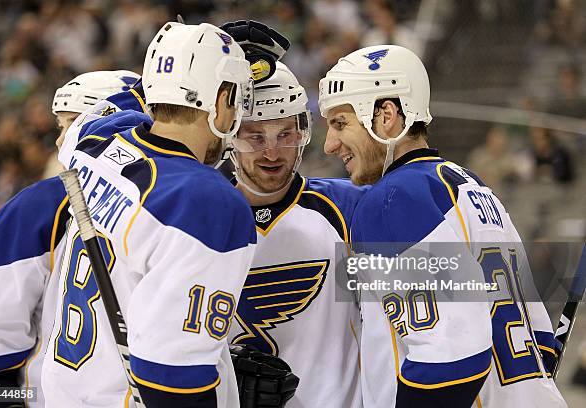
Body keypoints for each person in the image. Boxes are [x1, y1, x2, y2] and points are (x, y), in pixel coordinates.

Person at [319, 45, 567, 407]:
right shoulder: (472, 186)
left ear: (386, 115)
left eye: (341, 124)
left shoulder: (392, 200)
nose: (329, 144)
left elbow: (451, 358)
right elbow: (542, 339)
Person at [40, 22, 257, 407]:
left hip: (66, 392)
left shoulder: (92, 142)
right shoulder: (206, 201)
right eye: (237, 97)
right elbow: (172, 378)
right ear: (223, 98)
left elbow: (119, 105)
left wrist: (197, 61)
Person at [0, 70, 142, 408]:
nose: (58, 140)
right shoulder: (37, 209)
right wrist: (19, 400)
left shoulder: (40, 205)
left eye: (71, 124)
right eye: (60, 125)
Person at [226, 61, 364, 407]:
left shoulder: (351, 206)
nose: (272, 152)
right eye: (255, 137)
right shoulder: (196, 217)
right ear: (229, 136)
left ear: (303, 132)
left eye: (285, 134)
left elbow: (455, 286)